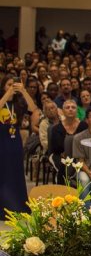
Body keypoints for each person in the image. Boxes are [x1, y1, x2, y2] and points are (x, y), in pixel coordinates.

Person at [0, 76, 39, 220]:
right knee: (2, 172)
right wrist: (8, 94)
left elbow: (33, 109)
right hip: (1, 139)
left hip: (14, 140)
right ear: (3, 86)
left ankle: (17, 206)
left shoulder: (19, 102)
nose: (12, 87)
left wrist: (24, 91)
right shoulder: (2, 100)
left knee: (15, 171)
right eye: (9, 84)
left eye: (14, 84)